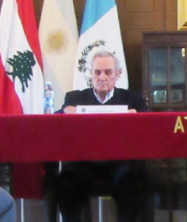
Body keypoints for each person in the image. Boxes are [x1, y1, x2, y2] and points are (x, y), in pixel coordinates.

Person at [56, 50, 150, 222]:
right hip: (83, 165)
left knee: (133, 179)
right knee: (66, 181)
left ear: (117, 74)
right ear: (90, 74)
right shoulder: (75, 98)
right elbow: (55, 120)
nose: (102, 77)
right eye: (97, 72)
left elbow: (149, 120)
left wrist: (136, 114)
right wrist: (65, 111)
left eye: (108, 72)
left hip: (120, 165)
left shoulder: (132, 98)